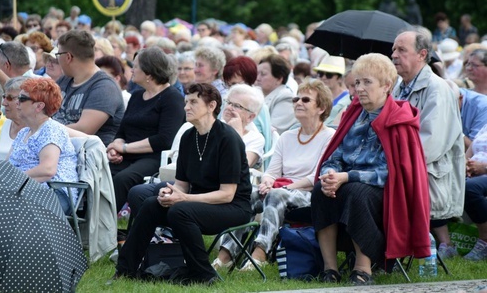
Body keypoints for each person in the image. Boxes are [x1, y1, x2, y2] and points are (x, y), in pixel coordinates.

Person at [113, 83, 252, 285]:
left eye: (193, 102)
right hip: (199, 202)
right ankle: (125, 270)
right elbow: (182, 185)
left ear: (212, 105)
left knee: (180, 211)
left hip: (233, 207)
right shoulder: (189, 137)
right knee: (152, 204)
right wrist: (170, 194)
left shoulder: (228, 138)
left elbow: (227, 194)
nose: (186, 107)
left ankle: (204, 274)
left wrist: (183, 198)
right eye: (186, 102)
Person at [312, 53, 430, 285]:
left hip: (386, 192)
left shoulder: (399, 119)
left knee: (357, 192)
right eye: (357, 82)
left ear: (386, 86)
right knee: (320, 190)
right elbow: (336, 154)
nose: (360, 88)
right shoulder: (354, 115)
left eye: (367, 82)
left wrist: (347, 177)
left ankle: (363, 269)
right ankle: (330, 269)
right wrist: (330, 174)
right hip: (347, 182)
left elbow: (392, 173)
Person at [214, 79, 335, 271]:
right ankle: (226, 254)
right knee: (245, 194)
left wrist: (283, 187)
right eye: (296, 99)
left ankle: (260, 254)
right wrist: (268, 182)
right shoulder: (287, 136)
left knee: (276, 195)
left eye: (305, 100)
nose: (298, 103)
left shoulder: (329, 137)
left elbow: (316, 178)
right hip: (281, 190)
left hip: (311, 196)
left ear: (321, 108)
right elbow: (271, 172)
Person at [392, 29, 465, 259]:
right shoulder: (397, 86)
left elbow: (430, 144)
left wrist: (392, 163)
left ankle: (444, 246)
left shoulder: (438, 88)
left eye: (401, 50)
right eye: (393, 49)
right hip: (403, 164)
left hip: (430, 172)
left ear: (422, 54)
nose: (394, 55)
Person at [106, 47, 185, 212]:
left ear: (149, 74)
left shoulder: (172, 98)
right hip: (127, 155)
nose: (131, 70)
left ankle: (105, 227)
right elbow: (122, 131)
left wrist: (125, 148)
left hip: (154, 157)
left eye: (135, 66)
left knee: (123, 179)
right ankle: (86, 220)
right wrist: (115, 148)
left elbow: (164, 139)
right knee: (100, 171)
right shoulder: (136, 96)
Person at [8, 78, 78, 215]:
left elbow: (47, 170)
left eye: (22, 99)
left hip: (53, 194)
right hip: (24, 191)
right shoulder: (23, 132)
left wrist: (13, 181)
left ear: (39, 106)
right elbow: (7, 165)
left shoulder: (52, 129)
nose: (16, 102)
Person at [53, 30, 125, 147]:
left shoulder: (105, 87)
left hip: (87, 157)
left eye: (58, 55)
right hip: (57, 149)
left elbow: (83, 130)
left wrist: (43, 130)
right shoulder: (64, 80)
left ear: (68, 57)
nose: (57, 59)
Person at [255, 54, 298, 134]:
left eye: (263, 74)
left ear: (279, 78)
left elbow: (273, 131)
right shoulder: (255, 92)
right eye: (257, 73)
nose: (257, 78)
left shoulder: (285, 97)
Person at [463, 123, 487, 261]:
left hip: (484, 174)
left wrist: (484, 167)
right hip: (472, 174)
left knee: (470, 188)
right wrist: (465, 166)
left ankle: (485, 239)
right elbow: (468, 154)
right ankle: (445, 243)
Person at [0, 77, 29, 160]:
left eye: (10, 98)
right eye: (4, 97)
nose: (4, 103)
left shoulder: (39, 128)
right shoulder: (6, 124)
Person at [314, 56, 351, 127]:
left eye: (329, 75)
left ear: (340, 78)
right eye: (320, 74)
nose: (323, 78)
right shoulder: (314, 97)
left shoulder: (348, 99)